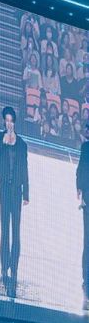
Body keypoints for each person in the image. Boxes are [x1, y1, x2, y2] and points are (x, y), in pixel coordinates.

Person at [0, 107, 29, 299]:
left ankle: (14, 266)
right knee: (5, 228)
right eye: (6, 120)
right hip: (4, 187)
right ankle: (4, 265)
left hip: (17, 190)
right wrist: (3, 142)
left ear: (15, 122)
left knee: (16, 231)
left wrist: (26, 193)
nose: (9, 124)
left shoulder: (22, 144)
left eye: (11, 121)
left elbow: (25, 168)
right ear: (3, 122)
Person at [77, 121, 89, 312]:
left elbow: (80, 172)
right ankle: (86, 283)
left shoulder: (86, 147)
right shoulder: (86, 147)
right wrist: (81, 193)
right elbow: (81, 172)